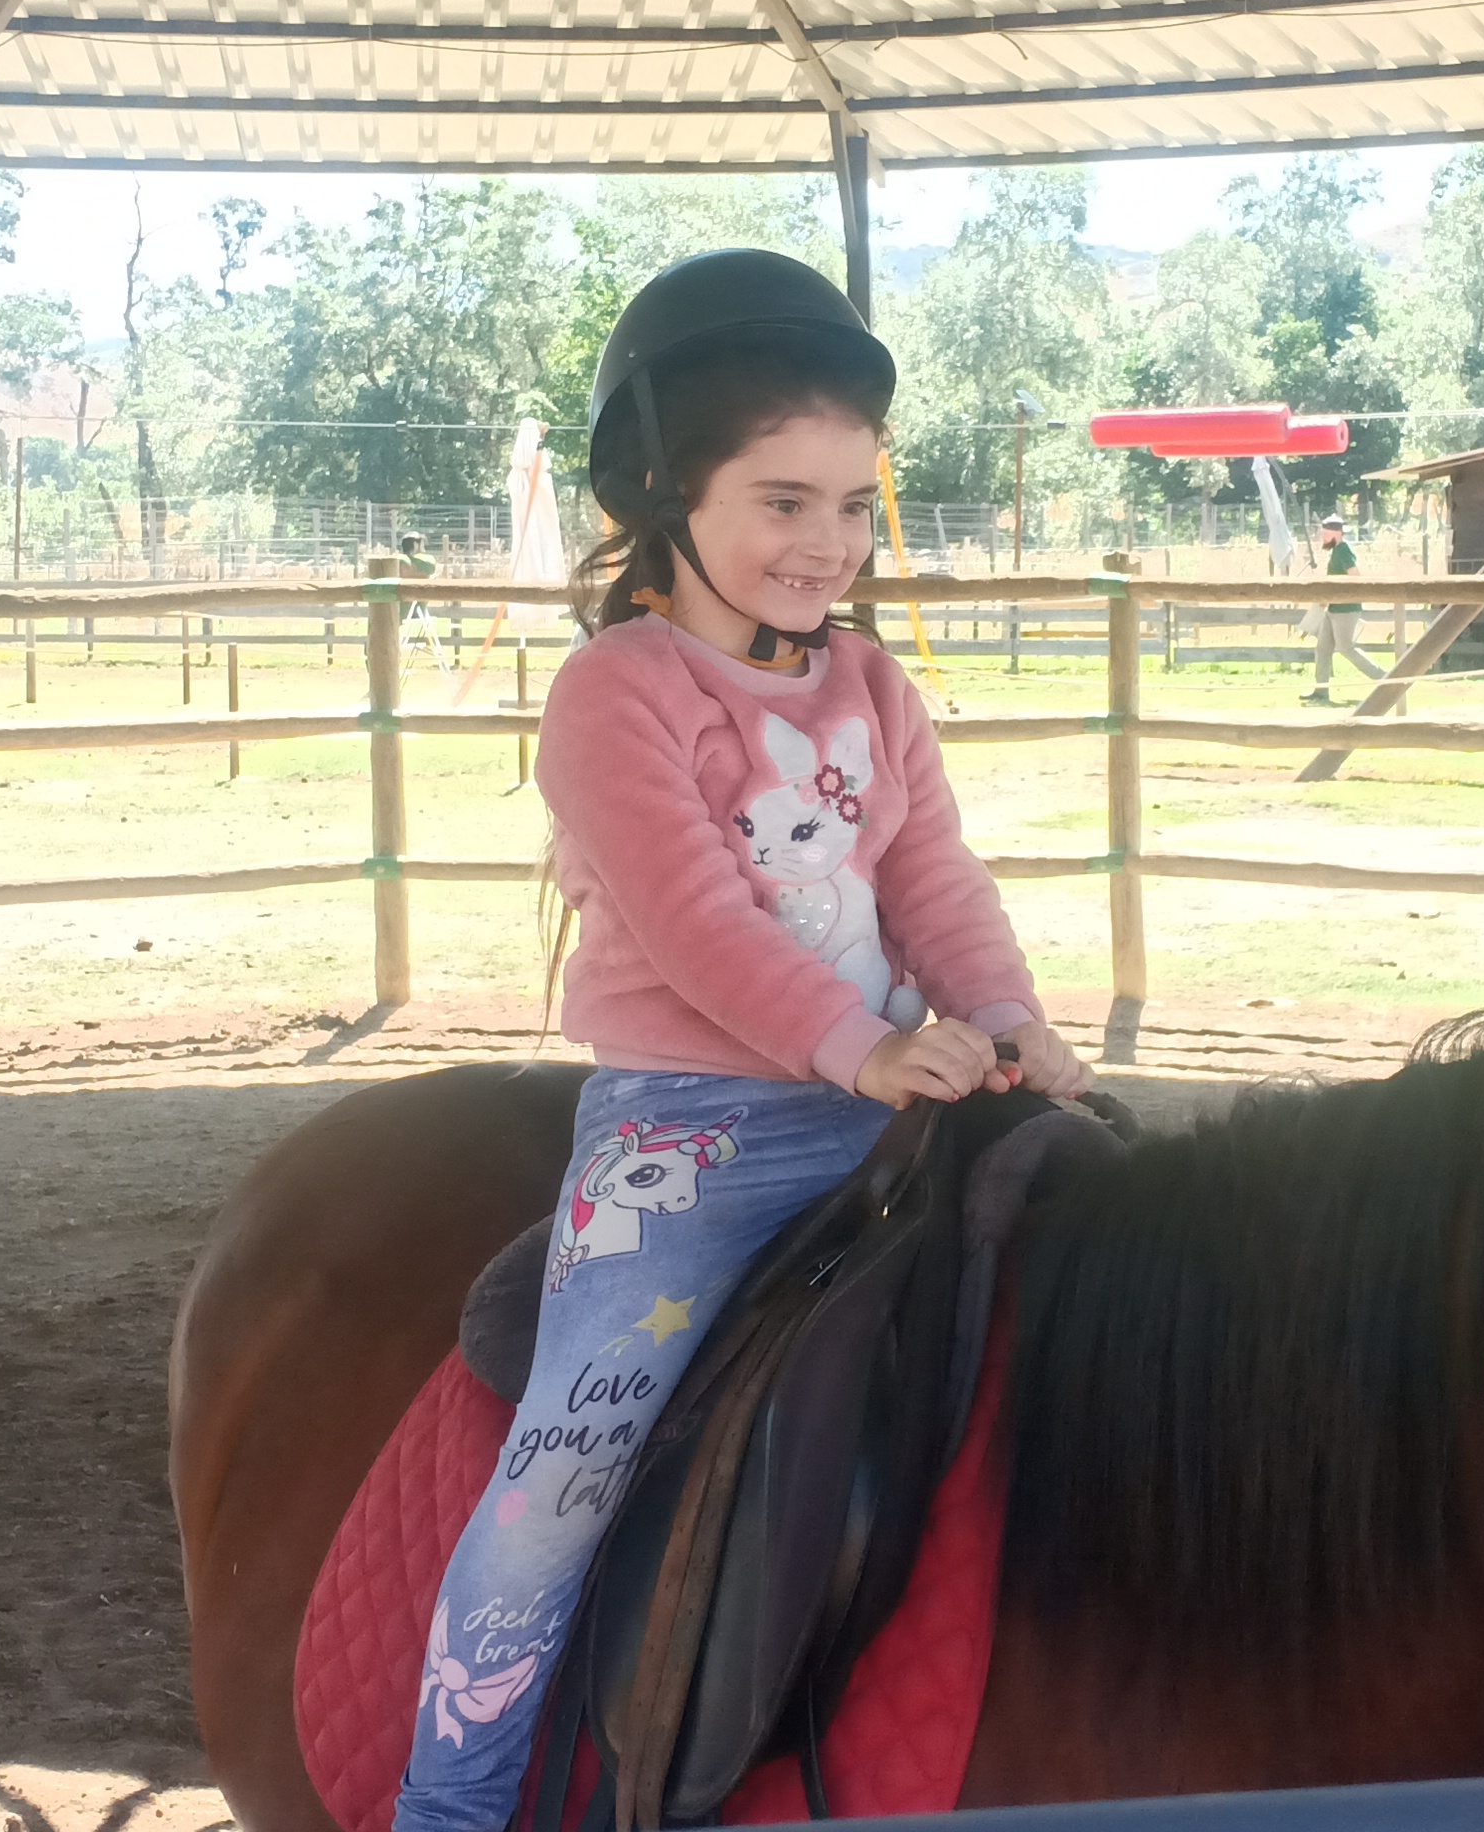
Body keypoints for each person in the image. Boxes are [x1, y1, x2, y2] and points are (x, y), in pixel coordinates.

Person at [396, 249, 1089, 1832]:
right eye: (783, 501)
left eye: (851, 505)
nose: (826, 543)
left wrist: (1007, 1020)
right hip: (690, 1134)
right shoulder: (617, 694)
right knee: (566, 1470)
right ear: (668, 491)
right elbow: (698, 924)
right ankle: (453, 1798)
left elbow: (931, 878)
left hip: (888, 1103)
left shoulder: (875, 686)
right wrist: (862, 1046)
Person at [1301, 513, 1382, 705]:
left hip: (1346, 609)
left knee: (1346, 648)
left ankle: (1385, 679)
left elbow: (1355, 576)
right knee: (1323, 649)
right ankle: (1321, 692)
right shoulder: (1337, 551)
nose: (1322, 538)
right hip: (1333, 609)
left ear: (1336, 533)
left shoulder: (1344, 551)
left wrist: (1339, 595)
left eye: (1325, 534)